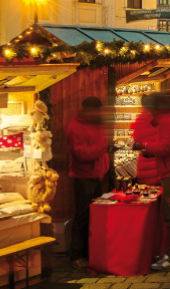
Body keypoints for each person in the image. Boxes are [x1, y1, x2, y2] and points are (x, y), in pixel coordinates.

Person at [133, 96, 170, 270]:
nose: (148, 112)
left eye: (149, 108)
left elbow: (167, 147)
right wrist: (150, 151)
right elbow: (169, 146)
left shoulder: (169, 120)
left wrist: (142, 145)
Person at [65, 96, 109, 269]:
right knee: (82, 216)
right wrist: (102, 149)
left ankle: (90, 252)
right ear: (88, 110)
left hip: (97, 175)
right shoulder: (75, 127)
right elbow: (81, 154)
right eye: (96, 111)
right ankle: (76, 256)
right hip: (84, 177)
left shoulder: (95, 123)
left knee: (94, 216)